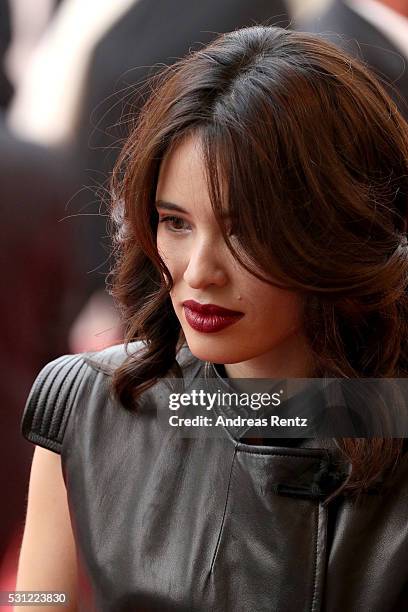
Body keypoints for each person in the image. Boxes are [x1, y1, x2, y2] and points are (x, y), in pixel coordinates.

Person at [17, 25, 408, 611]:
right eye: (175, 222)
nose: (200, 272)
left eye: (244, 230)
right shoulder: (91, 405)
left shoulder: (388, 418)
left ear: (338, 231)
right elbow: (40, 600)